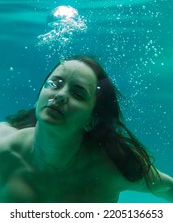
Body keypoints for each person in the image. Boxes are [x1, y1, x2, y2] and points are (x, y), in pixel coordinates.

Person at [0, 55, 172, 203]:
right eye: (55, 84)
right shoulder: (5, 153)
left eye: (78, 94)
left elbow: (167, 188)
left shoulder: (113, 168)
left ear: (92, 119)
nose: (59, 95)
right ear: (38, 99)